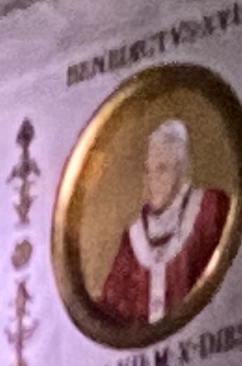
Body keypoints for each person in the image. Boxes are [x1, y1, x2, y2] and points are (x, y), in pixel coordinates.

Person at [96, 119, 230, 327]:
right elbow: (112, 305)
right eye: (149, 171)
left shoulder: (209, 209)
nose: (153, 181)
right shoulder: (133, 237)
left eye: (162, 169)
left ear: (182, 172)